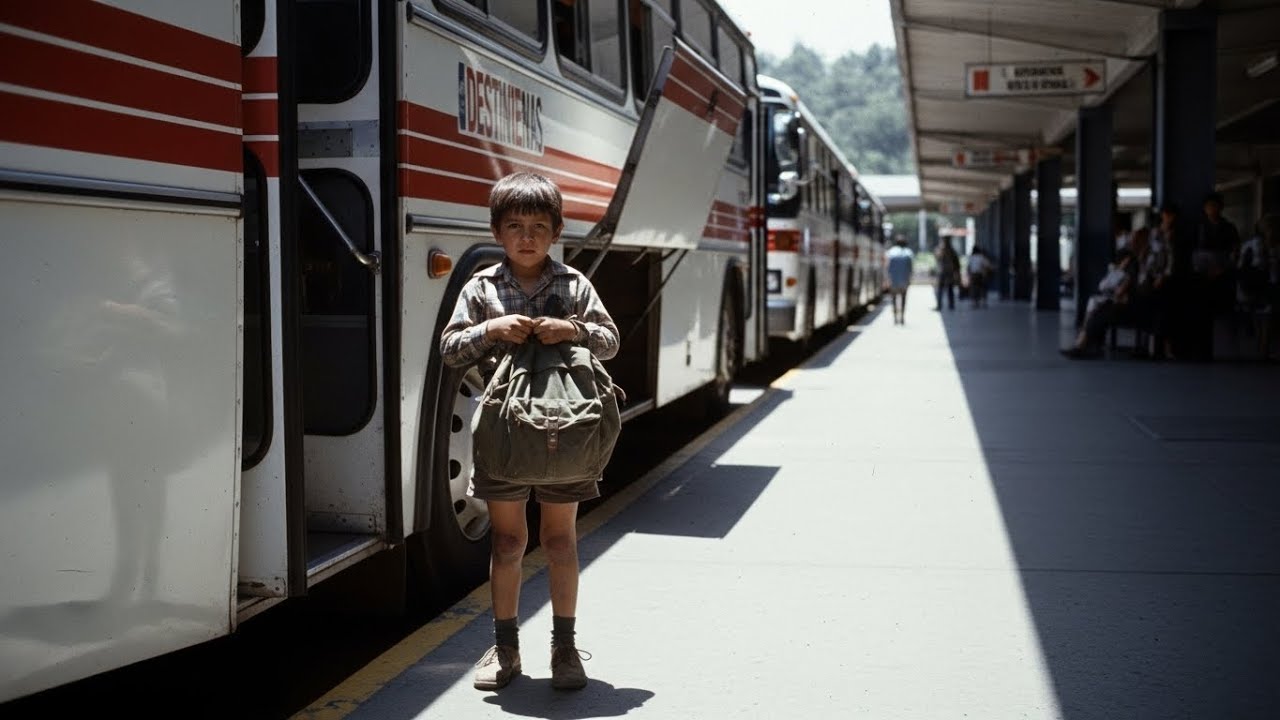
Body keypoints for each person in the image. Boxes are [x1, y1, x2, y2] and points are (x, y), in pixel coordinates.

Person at [440, 172, 619, 692]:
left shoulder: (574, 285)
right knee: (508, 539)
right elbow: (450, 350)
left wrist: (575, 330)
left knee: (560, 541)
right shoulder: (480, 288)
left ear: (557, 230)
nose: (527, 236)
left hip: (568, 432)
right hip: (502, 436)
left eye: (539, 226)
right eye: (515, 225)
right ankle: (506, 647)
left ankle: (565, 649)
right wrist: (491, 330)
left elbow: (608, 341)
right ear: (497, 231)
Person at [1061, 247, 1137, 359]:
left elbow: (1118, 292)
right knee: (1095, 308)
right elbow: (1104, 286)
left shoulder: (1129, 275)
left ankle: (1082, 344)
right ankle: (1085, 343)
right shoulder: (1117, 273)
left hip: (1122, 306)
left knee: (1096, 311)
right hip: (1113, 302)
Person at [884, 234, 914, 324]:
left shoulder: (890, 253)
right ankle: (902, 318)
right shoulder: (908, 253)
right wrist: (909, 279)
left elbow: (887, 268)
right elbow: (910, 269)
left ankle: (895, 318)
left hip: (893, 281)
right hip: (904, 281)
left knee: (893, 299)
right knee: (903, 299)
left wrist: (887, 280)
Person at [934, 236, 960, 310]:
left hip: (947, 272)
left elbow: (956, 263)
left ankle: (949, 304)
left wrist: (957, 273)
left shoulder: (951, 251)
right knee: (942, 289)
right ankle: (941, 305)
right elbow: (937, 257)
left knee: (948, 289)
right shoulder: (942, 250)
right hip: (943, 271)